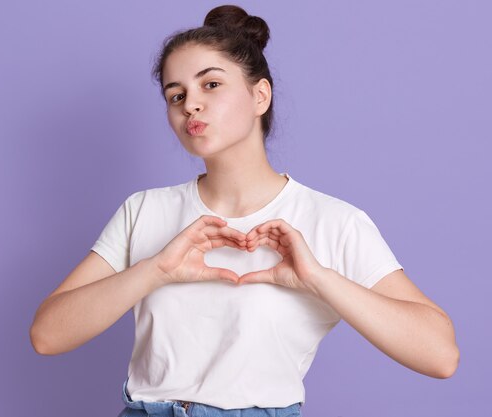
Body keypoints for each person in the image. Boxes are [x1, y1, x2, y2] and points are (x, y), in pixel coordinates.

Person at [30, 5, 459, 416]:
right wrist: (156, 270)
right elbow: (47, 335)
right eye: (175, 94)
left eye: (210, 85)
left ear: (260, 95)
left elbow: (440, 355)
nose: (189, 105)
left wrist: (318, 279)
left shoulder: (332, 221)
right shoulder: (144, 210)